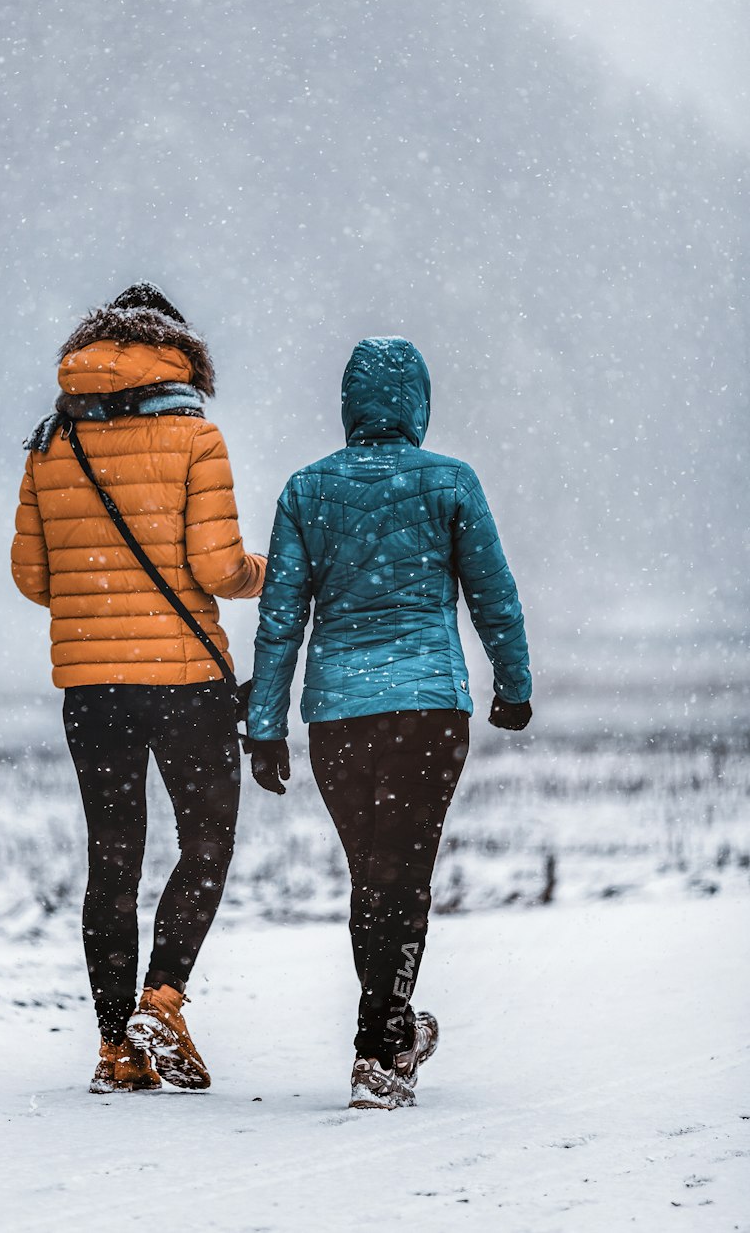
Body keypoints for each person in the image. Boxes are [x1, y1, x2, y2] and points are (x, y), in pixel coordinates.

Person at [245, 336, 531, 1110]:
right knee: (401, 876)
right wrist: (513, 685)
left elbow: (281, 622)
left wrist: (264, 724)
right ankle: (381, 1048)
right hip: (429, 709)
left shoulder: (306, 491)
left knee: (372, 875)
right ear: (418, 405)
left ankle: (388, 1034)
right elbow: (492, 593)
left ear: (349, 407)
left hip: (339, 717)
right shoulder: (451, 483)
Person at [11, 283, 265, 1093]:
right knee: (207, 843)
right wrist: (269, 572)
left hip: (90, 686)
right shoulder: (195, 438)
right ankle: (162, 997)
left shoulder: (49, 444)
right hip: (187, 684)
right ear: (179, 355)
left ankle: (115, 1047)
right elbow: (220, 571)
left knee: (111, 862)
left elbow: (32, 577)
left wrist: (100, 598)